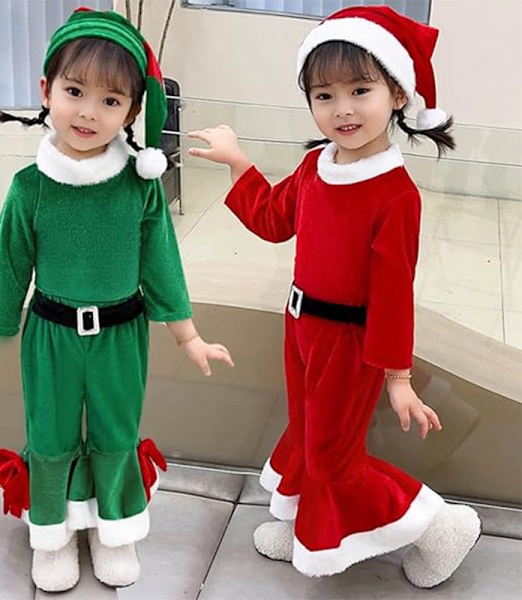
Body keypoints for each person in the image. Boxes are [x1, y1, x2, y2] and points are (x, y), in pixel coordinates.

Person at [188, 5, 480, 588]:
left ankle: (437, 526)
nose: (342, 108)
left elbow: (393, 295)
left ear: (398, 95)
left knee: (332, 455)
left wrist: (397, 377)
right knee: (305, 434)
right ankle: (305, 524)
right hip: (300, 329)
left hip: (350, 342)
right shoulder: (314, 166)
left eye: (360, 90)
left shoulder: (395, 196)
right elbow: (273, 220)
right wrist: (239, 162)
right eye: (324, 96)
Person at [0, 8, 233, 593]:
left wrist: (189, 336)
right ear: (46, 90)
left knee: (115, 431)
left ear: (132, 111)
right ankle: (51, 534)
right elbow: (7, 270)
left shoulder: (139, 188)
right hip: (50, 334)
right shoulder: (30, 188)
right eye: (75, 91)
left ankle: (113, 528)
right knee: (50, 434)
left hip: (122, 335)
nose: (88, 112)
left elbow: (161, 264)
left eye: (110, 100)